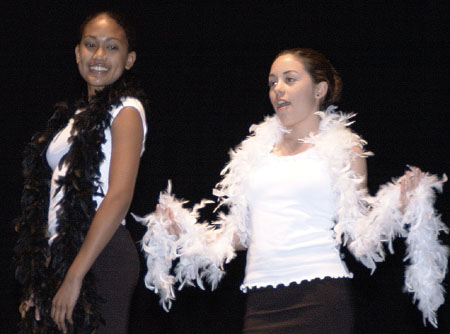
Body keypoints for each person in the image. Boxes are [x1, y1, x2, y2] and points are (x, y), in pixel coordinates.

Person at [137, 48, 447, 333]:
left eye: (289, 79)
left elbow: (359, 239)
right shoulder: (255, 152)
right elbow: (242, 236)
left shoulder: (344, 148)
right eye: (272, 82)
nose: (278, 89)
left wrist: (398, 208)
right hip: (260, 301)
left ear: (319, 89)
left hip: (319, 297)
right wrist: (186, 233)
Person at [14, 11, 147, 334]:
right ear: (77, 53)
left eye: (112, 47)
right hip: (63, 255)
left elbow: (118, 197)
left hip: (101, 253)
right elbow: (54, 203)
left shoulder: (126, 110)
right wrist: (41, 279)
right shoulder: (71, 120)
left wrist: (74, 277)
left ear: (129, 59)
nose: (99, 56)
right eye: (91, 45)